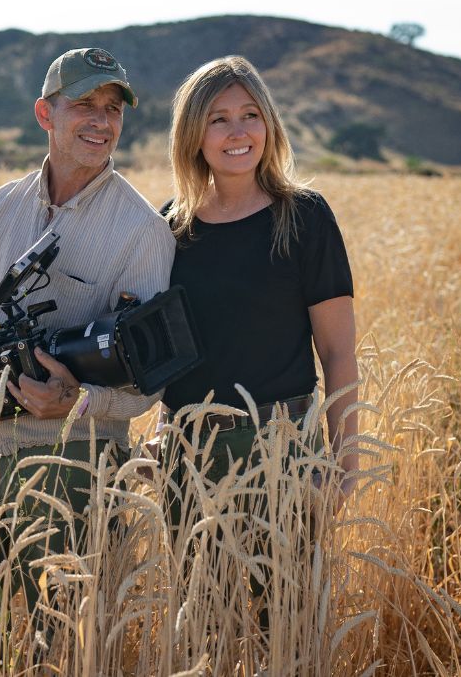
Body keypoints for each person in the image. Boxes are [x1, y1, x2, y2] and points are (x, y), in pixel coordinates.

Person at [0, 47, 174, 658]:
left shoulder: (142, 231)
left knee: (68, 653)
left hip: (77, 472)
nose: (101, 120)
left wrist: (77, 398)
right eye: (84, 105)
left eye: (112, 108)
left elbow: (147, 385)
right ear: (44, 114)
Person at [159, 55, 360, 623]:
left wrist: (343, 465)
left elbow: (339, 351)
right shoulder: (171, 227)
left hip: (285, 450)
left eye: (250, 114)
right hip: (189, 453)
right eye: (218, 118)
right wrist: (161, 432)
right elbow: (164, 351)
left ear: (269, 124)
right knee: (203, 629)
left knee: (289, 627)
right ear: (193, 133)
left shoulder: (304, 217)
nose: (238, 131)